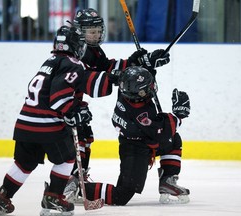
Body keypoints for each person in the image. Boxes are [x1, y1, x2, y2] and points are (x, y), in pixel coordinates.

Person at [0, 24, 120, 216]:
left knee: (23, 164)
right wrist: (73, 111)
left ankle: (2, 198)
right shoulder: (73, 63)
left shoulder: (50, 61)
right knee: (67, 158)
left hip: (25, 122)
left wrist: (76, 107)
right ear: (75, 45)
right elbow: (59, 96)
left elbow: (50, 92)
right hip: (47, 124)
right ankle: (53, 197)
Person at [68, 8, 171, 183]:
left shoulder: (92, 50)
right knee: (72, 143)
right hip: (61, 104)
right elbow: (89, 82)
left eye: (99, 31)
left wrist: (137, 62)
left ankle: (77, 178)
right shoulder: (76, 52)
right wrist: (122, 77)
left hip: (72, 103)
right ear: (79, 31)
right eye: (92, 32)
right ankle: (65, 182)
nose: (97, 35)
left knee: (84, 138)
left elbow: (107, 66)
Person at [65, 66, 190, 205]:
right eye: (148, 87)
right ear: (140, 93)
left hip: (138, 140)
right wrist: (179, 115)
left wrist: (148, 63)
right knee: (121, 196)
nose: (152, 88)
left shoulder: (126, 91)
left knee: (173, 140)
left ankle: (167, 180)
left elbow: (132, 77)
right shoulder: (141, 113)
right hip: (136, 149)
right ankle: (77, 188)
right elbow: (160, 133)